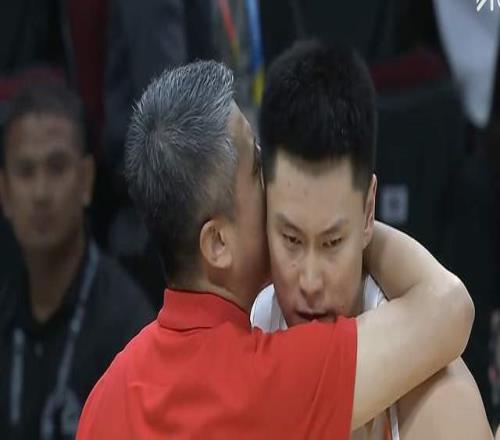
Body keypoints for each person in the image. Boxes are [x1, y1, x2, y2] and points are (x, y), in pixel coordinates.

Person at [76, 60, 474, 439]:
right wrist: (347, 224)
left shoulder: (103, 398)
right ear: (218, 243)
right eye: (257, 166)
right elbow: (448, 306)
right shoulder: (266, 382)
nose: (272, 183)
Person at [251, 41, 491, 439]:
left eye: (332, 242)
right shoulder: (245, 329)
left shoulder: (441, 402)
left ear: (368, 213)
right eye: (291, 239)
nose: (309, 282)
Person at [0, 82, 154, 440]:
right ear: (4, 192)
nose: (40, 193)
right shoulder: (6, 309)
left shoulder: (128, 329)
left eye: (56, 168)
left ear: (86, 180)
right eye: (26, 171)